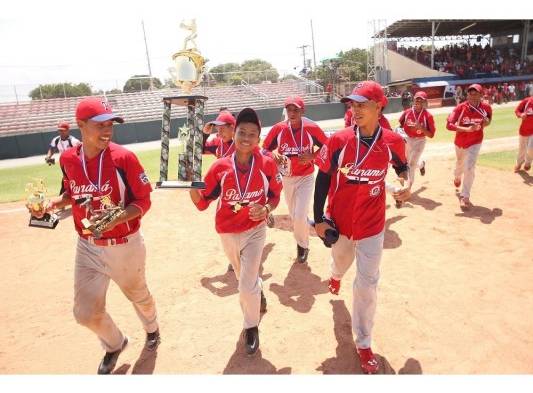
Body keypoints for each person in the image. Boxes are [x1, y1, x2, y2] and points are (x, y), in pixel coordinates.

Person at [27, 97, 160, 374]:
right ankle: (115, 344)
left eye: (110, 124)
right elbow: (72, 194)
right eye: (100, 124)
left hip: (124, 245)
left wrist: (116, 216)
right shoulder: (67, 159)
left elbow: (144, 201)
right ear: (81, 125)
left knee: (139, 296)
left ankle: (152, 327)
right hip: (87, 246)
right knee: (84, 313)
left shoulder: (124, 158)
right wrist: (51, 206)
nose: (107, 130)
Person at [313, 81, 410, 374]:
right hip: (340, 220)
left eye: (361, 104)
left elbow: (402, 168)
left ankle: (364, 342)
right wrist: (318, 218)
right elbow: (323, 178)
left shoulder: (393, 141)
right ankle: (334, 274)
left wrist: (406, 184)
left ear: (379, 106)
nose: (354, 110)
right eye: (352, 105)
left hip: (372, 223)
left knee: (367, 284)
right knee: (341, 261)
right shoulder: (339, 140)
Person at [189, 108, 282, 355]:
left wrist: (266, 208)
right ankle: (257, 291)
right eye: (242, 132)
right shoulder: (220, 167)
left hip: (255, 230)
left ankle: (251, 327)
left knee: (245, 284)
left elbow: (274, 195)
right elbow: (201, 202)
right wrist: (191, 184)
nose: (246, 138)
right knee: (246, 278)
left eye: (253, 134)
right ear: (234, 134)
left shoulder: (267, 164)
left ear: (259, 138)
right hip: (228, 231)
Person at [262, 96, 328, 263]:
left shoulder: (311, 128)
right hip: (287, 178)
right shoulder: (279, 129)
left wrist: (313, 155)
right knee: (295, 216)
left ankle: (303, 245)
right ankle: (308, 227)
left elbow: (329, 146)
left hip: (306, 177)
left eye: (296, 110)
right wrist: (273, 154)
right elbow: (264, 150)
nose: (292, 113)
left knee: (299, 215)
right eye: (289, 110)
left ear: (302, 111)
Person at [446, 84, 492, 210]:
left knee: (470, 167)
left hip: (475, 142)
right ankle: (457, 176)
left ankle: (465, 196)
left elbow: (488, 121)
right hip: (460, 142)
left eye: (475, 93)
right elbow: (449, 125)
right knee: (460, 165)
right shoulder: (460, 108)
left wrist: (484, 122)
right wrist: (467, 129)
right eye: (470, 93)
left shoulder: (486, 108)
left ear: (481, 95)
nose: (472, 96)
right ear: (466, 95)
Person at [398, 91, 436, 187]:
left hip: (420, 140)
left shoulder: (428, 116)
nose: (418, 101)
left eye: (421, 99)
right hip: (408, 139)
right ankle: (421, 164)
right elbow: (401, 124)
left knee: (411, 164)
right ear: (413, 100)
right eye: (416, 99)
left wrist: (421, 128)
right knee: (409, 162)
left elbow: (431, 135)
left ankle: (408, 187)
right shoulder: (407, 112)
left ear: (424, 102)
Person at [45, 122, 81, 194]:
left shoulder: (73, 141)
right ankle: (64, 199)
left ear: (68, 130)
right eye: (59, 130)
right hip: (64, 166)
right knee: (66, 182)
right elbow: (52, 149)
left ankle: (63, 200)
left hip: (74, 165)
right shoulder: (56, 140)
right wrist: (48, 156)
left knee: (71, 182)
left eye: (63, 130)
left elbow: (82, 150)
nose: (61, 132)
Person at [514, 95, 533, 172]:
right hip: (524, 130)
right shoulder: (527, 101)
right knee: (522, 149)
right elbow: (517, 110)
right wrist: (521, 115)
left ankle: (528, 163)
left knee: (531, 148)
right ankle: (519, 163)